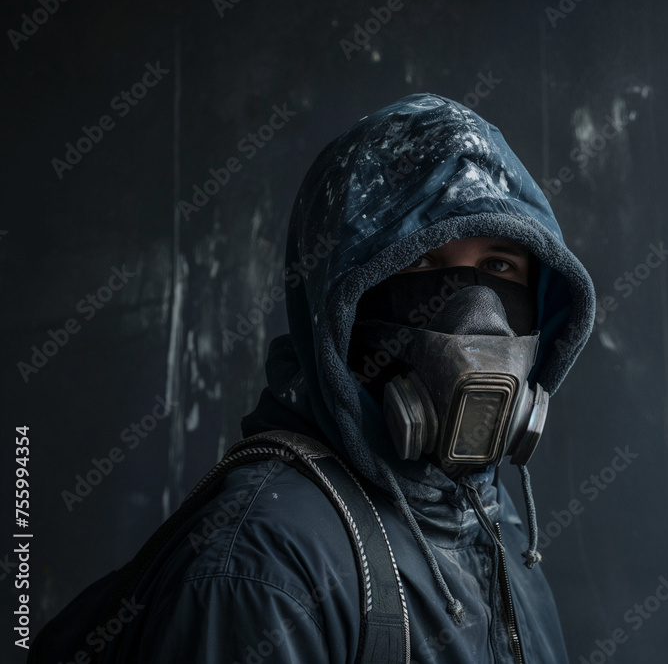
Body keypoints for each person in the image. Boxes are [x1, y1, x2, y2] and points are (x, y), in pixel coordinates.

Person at [106, 93, 596, 662]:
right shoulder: (265, 570)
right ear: (340, 307)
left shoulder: (493, 522)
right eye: (422, 264)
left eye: (499, 266)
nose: (475, 316)